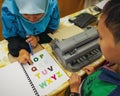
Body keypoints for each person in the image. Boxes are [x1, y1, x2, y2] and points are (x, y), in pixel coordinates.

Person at [69, 0, 120, 96]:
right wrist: (95, 75)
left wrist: (74, 91)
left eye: (101, 37)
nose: (98, 41)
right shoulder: (115, 61)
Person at [1, 0, 60, 64]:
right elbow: (11, 36)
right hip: (19, 38)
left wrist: (38, 38)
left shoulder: (51, 5)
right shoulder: (9, 10)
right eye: (26, 14)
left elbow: (51, 28)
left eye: (37, 14)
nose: (31, 19)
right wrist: (21, 50)